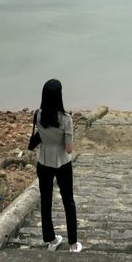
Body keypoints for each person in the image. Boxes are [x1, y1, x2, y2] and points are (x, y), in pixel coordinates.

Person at [34, 79, 82, 252]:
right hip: (62, 163)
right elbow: (69, 149)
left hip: (44, 161)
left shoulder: (37, 115)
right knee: (68, 201)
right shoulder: (66, 119)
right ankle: (73, 244)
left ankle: (51, 240)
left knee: (45, 201)